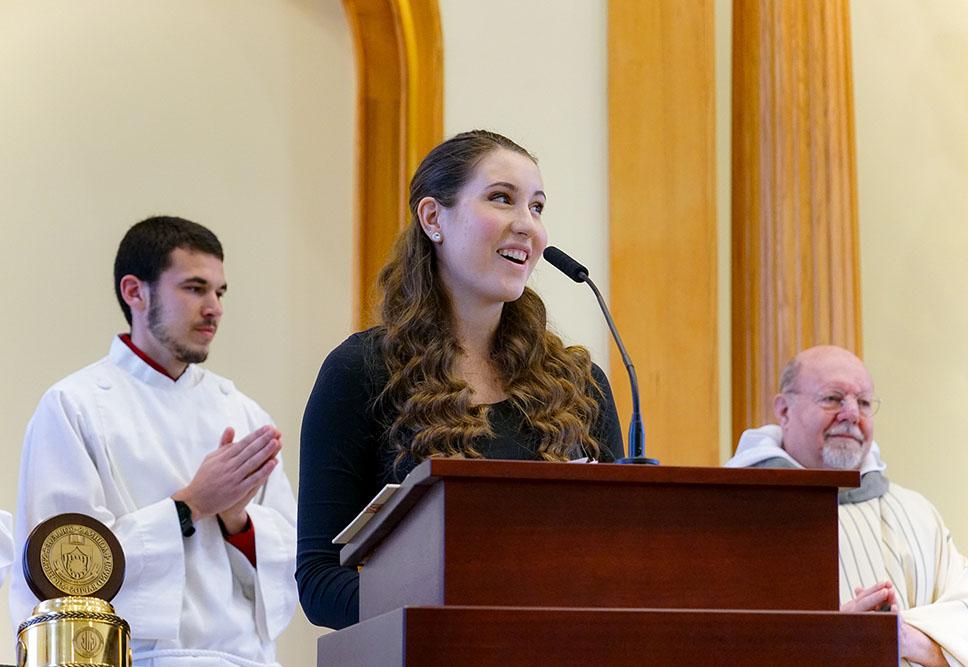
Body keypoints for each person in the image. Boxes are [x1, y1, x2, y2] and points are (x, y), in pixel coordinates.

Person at [296, 130, 625, 629]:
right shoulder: (361, 370)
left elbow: (618, 557)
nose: (528, 227)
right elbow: (320, 581)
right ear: (433, 218)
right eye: (501, 199)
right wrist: (460, 605)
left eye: (537, 207)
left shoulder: (580, 385)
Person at [11, 217, 297, 667]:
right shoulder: (74, 406)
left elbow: (289, 567)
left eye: (219, 292)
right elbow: (63, 570)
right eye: (194, 288)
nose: (214, 308)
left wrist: (238, 521)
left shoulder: (243, 414)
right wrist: (190, 505)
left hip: (242, 657)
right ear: (134, 292)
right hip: (134, 658)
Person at [726, 345, 968, 667]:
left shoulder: (919, 516)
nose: (851, 414)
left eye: (863, 403)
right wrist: (831, 637)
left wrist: (904, 637)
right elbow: (712, 641)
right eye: (832, 398)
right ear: (783, 411)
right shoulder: (728, 513)